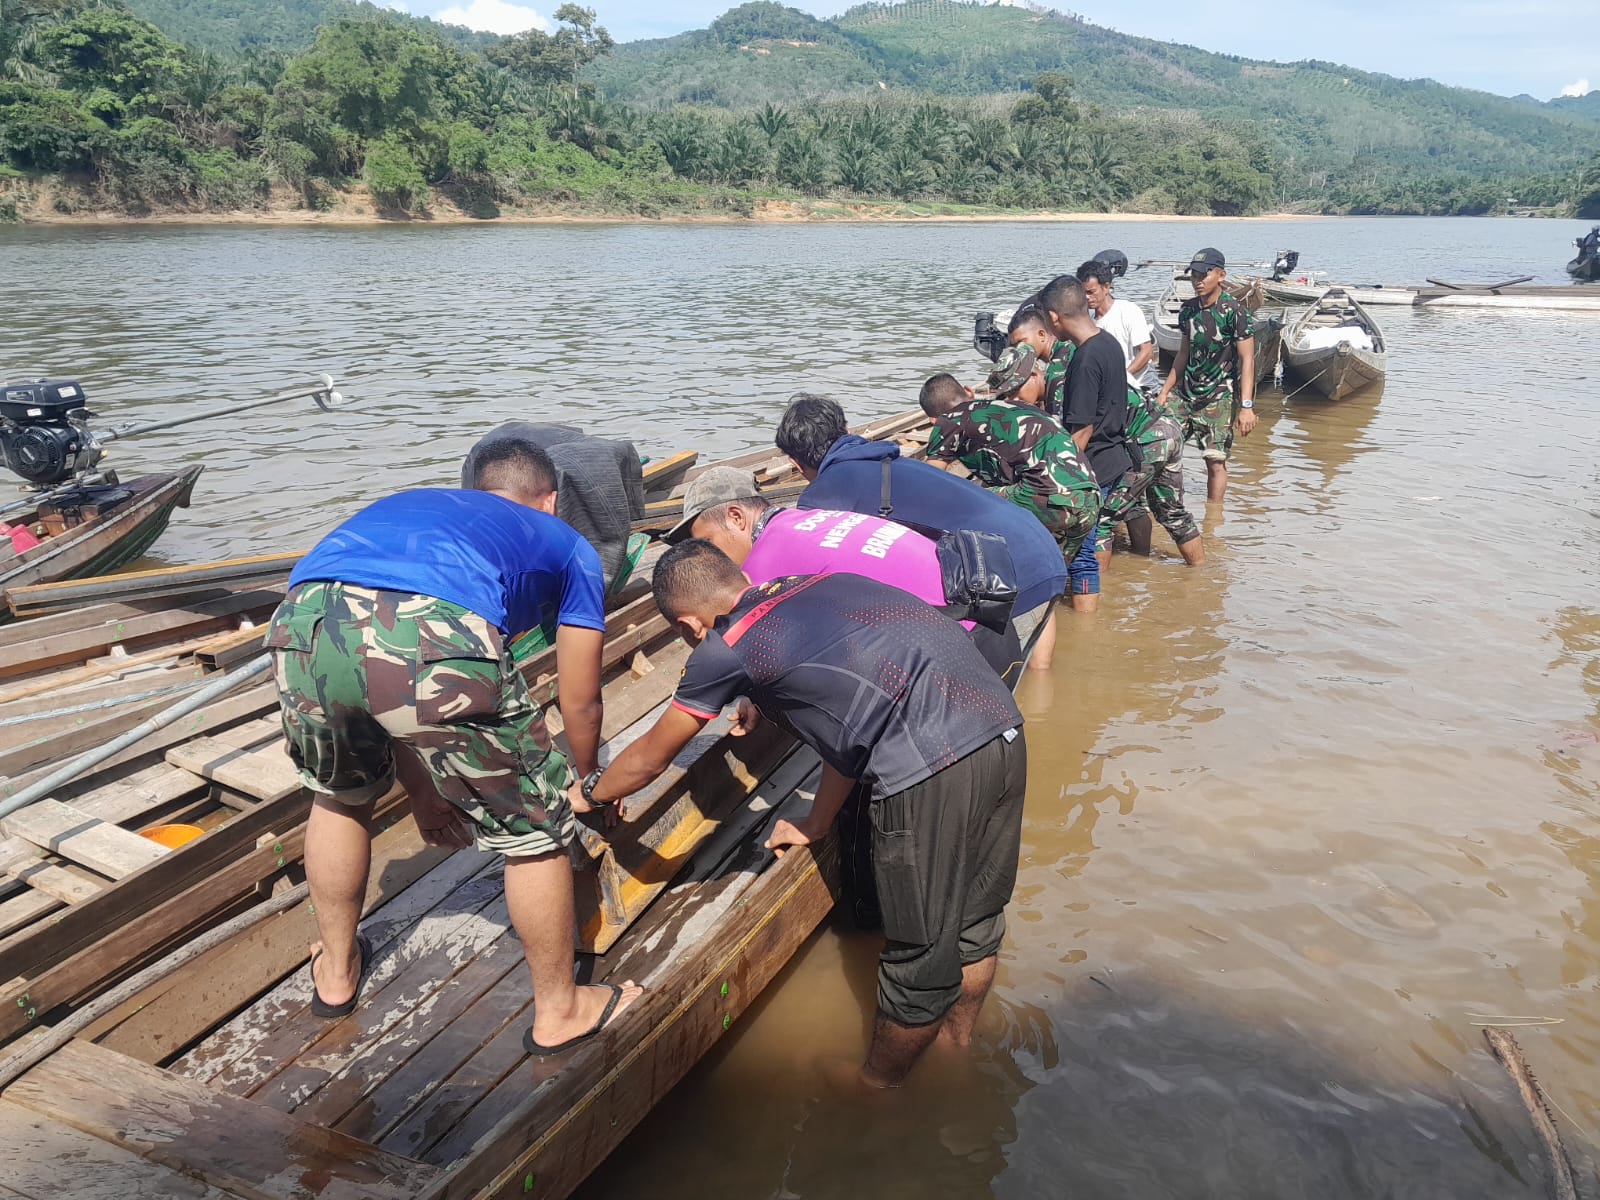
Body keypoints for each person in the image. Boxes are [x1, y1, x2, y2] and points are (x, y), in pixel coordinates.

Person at [586, 541, 1027, 1090]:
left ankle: (877, 1089)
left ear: (689, 624)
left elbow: (651, 758)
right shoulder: (822, 582)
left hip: (929, 766)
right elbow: (850, 728)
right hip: (1001, 724)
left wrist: (590, 794)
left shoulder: (724, 646)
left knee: (918, 951)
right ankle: (956, 1047)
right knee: (976, 922)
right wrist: (818, 823)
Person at [266, 437, 641, 1055]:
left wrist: (424, 794)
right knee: (532, 830)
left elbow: (385, 688)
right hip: (431, 621)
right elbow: (580, 698)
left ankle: (334, 973)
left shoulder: (420, 504)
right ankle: (562, 1008)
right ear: (549, 501)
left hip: (305, 615)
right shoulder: (569, 544)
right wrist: (583, 779)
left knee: (339, 796)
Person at [662, 465, 1024, 685]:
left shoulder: (762, 567)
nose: (707, 556)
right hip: (993, 624)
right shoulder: (801, 519)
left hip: (961, 652)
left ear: (738, 518)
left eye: (707, 541)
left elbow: (747, 659)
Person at [773, 393, 1067, 628]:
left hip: (1002, 574)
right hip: (1043, 552)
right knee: (1034, 667)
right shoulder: (893, 461)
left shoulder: (822, 499)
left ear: (796, 465)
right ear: (846, 432)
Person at [918, 358, 1100, 614]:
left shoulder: (949, 421)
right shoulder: (1014, 407)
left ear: (932, 421)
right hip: (1090, 496)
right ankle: (1084, 631)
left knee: (965, 503)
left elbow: (927, 482)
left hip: (1047, 495)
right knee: (1056, 572)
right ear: (969, 392)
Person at [462, 421, 647, 606]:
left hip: (565, 452)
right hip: (493, 452)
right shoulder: (479, 496)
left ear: (549, 504)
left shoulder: (568, 481)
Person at [1038, 273, 1138, 608]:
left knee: (1081, 553)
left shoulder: (1084, 358)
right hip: (1112, 459)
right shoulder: (1107, 342)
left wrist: (1053, 478)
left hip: (1093, 465)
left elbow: (1081, 430)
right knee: (1088, 545)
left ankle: (1085, 630)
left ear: (1054, 317)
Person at [1155, 247, 1257, 502]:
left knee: (1215, 461)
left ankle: (1213, 519)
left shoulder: (1235, 312)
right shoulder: (1188, 310)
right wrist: (1165, 391)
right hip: (1185, 393)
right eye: (1194, 276)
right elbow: (1182, 355)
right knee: (1160, 448)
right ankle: (1162, 503)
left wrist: (1246, 407)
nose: (1197, 281)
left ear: (1221, 275)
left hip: (1219, 396)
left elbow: (1247, 361)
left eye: (1203, 275)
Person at [1096, 391, 1205, 566]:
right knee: (1170, 511)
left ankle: (1100, 589)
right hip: (1167, 427)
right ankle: (1199, 573)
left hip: (1143, 437)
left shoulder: (1063, 376)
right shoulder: (1106, 368)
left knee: (1101, 520)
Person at [1077, 258, 1158, 395]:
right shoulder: (1089, 320)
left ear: (1106, 287)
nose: (1087, 297)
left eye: (1091, 292)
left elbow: (1146, 352)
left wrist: (1122, 378)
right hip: (1108, 389)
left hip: (1139, 387)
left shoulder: (1128, 311)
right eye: (1083, 293)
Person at [1007, 304, 1071, 417]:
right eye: (1015, 346)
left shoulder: (1057, 367)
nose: (1019, 349)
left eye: (1021, 342)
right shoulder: (1068, 344)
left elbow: (1055, 421)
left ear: (1041, 335)